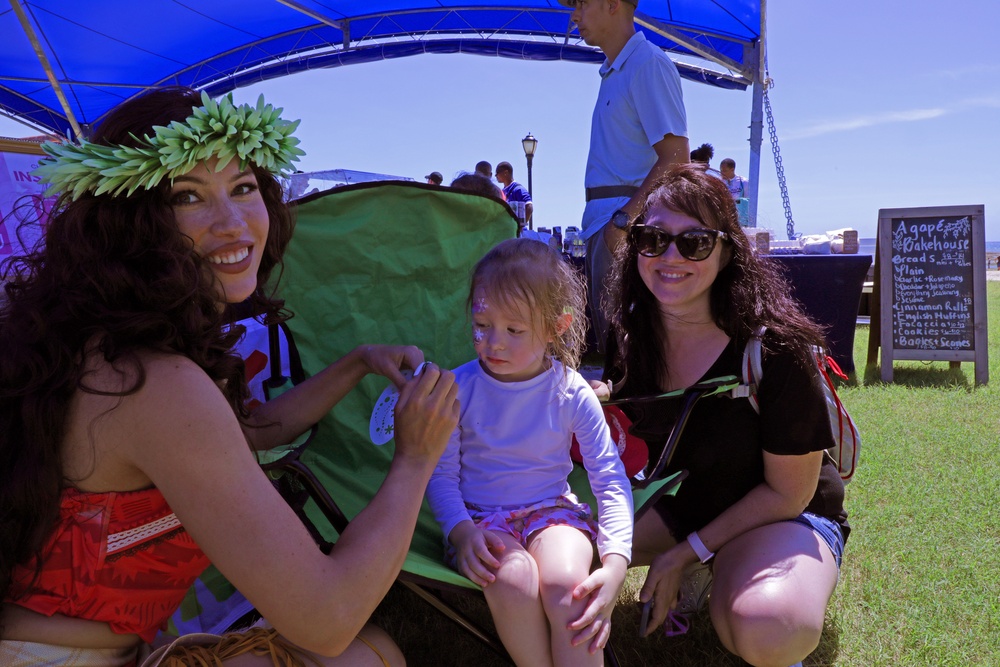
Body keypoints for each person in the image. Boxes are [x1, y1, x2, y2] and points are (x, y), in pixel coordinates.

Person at [0, 87, 460, 666]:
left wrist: (358, 361)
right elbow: (327, 618)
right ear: (129, 224)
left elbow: (250, 430)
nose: (233, 222)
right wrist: (417, 458)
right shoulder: (154, 383)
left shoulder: (103, 341)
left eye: (244, 188)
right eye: (188, 197)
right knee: (363, 655)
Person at [600, 163, 848, 667]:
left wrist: (683, 552)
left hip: (779, 515)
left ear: (727, 253)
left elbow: (788, 491)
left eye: (694, 243)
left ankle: (717, 570)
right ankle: (709, 571)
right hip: (681, 505)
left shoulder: (774, 348)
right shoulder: (630, 335)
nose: (670, 256)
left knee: (768, 626)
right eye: (653, 239)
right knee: (566, 551)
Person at [426, 238, 634, 666]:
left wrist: (615, 563)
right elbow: (440, 474)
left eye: (514, 329)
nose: (493, 342)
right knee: (514, 581)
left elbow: (609, 479)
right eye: (481, 323)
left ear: (557, 326)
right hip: (481, 522)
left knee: (567, 587)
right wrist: (462, 532)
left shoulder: (571, 391)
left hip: (552, 512)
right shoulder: (458, 389)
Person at [562, 0, 689, 353]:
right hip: (606, 226)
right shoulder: (616, 70)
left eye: (581, 4)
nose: (574, 16)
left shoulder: (647, 64)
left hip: (624, 230)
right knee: (617, 359)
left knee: (633, 359)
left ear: (613, 4)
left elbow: (677, 160)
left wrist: (622, 222)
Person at [494, 161, 533, 232]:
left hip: (517, 235)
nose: (495, 175)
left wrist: (520, 227)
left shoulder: (518, 189)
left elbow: (529, 207)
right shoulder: (502, 192)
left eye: (497, 173)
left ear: (506, 173)